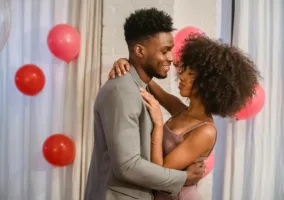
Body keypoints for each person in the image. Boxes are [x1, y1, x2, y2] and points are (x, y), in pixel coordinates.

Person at [109, 35, 260, 199]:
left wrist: (159, 124)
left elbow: (160, 173)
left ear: (209, 84)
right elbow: (149, 84)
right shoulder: (181, 110)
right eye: (185, 70)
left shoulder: (206, 131)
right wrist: (128, 64)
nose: (182, 76)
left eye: (191, 74)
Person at [84, 8, 205, 200]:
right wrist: (183, 178)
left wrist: (129, 63)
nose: (171, 58)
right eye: (164, 51)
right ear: (140, 50)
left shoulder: (139, 85)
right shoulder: (121, 90)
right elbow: (127, 165)